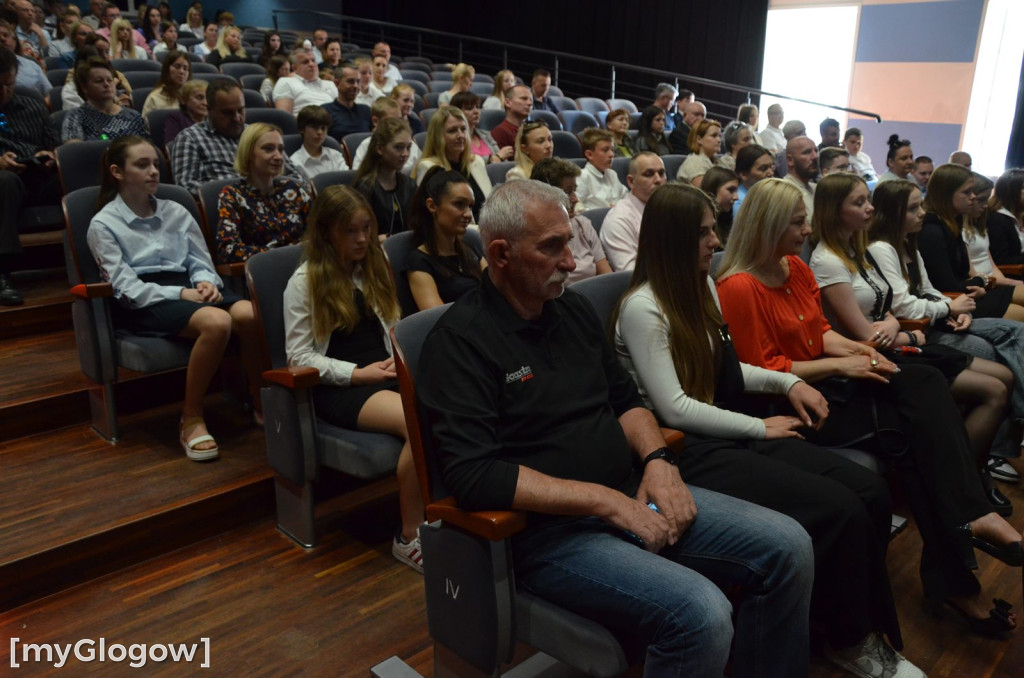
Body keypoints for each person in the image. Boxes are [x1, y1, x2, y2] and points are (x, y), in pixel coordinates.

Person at [417, 178, 815, 678]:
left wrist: (658, 460)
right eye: (553, 247)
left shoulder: (572, 310)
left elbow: (625, 401)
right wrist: (606, 502)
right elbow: (475, 476)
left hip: (630, 493)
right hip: (549, 536)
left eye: (570, 242)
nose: (570, 261)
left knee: (789, 546)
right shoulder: (460, 343)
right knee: (701, 613)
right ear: (500, 254)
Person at [614, 181, 921, 677]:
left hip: (728, 429)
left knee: (868, 490)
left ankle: (836, 622)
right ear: (671, 239)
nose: (716, 242)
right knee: (837, 509)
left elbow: (730, 369)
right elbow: (674, 408)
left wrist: (785, 383)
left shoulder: (702, 283)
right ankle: (849, 638)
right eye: (703, 233)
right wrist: (759, 427)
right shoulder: (643, 307)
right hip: (685, 449)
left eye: (714, 230)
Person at [716, 177, 1024, 637]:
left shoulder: (793, 269)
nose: (805, 230)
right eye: (797, 223)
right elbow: (764, 369)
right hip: (794, 404)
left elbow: (820, 331)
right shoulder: (738, 286)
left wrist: (860, 352)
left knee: (919, 386)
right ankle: (962, 547)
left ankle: (963, 544)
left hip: (832, 381)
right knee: (917, 426)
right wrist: (845, 362)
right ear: (768, 225)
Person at [809, 173, 1013, 511]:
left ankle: (966, 477)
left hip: (897, 340)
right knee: (994, 391)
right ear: (833, 211)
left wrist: (900, 322)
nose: (869, 208)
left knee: (1001, 377)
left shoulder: (856, 250)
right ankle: (962, 489)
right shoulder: (827, 260)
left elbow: (889, 308)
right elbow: (865, 335)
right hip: (870, 357)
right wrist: (911, 331)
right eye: (859, 203)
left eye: (868, 200)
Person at [88, 136, 261, 461]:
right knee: (217, 321)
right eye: (142, 165)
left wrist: (207, 283)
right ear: (117, 171)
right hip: (145, 300)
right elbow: (127, 288)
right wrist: (182, 293)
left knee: (250, 314)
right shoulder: (104, 224)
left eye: (155, 163)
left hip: (190, 286)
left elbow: (199, 260)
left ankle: (259, 400)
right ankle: (191, 418)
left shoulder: (176, 210)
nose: (154, 171)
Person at [282, 184, 424, 570]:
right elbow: (299, 357)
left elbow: (392, 329)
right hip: (341, 387)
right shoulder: (304, 281)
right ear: (327, 232)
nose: (362, 239)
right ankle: (410, 535)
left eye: (366, 228)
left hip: (383, 373)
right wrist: (357, 375)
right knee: (421, 420)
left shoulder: (373, 267)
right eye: (350, 231)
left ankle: (448, 512)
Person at [870, 178, 1024, 489]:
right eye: (914, 208)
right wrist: (949, 308)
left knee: (1015, 331)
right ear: (894, 213)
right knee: (997, 357)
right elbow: (904, 306)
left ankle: (979, 461)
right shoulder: (882, 247)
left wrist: (957, 310)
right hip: (919, 333)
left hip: (938, 322)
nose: (922, 212)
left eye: (921, 205)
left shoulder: (907, 242)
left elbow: (929, 290)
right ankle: (970, 469)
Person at [918, 163, 1024, 322]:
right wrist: (983, 281)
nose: (973, 197)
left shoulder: (954, 222)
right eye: (967, 192)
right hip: (953, 302)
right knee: (1020, 314)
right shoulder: (931, 231)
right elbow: (947, 286)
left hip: (971, 293)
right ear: (947, 195)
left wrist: (983, 283)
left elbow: (967, 271)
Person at [172, 79, 305, 199]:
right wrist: (242, 194)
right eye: (227, 113)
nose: (237, 118)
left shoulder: (257, 134)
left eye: (240, 110)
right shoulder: (190, 138)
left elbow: (296, 178)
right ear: (209, 109)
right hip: (225, 210)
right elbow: (187, 187)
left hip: (274, 203)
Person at [0, 47, 60, 306]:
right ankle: (2, 273)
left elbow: (56, 144)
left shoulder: (33, 106)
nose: (4, 92)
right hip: (5, 183)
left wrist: (52, 156)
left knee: (79, 175)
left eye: (9, 84)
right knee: (4, 180)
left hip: (37, 177)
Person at [216, 122, 312, 264]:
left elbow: (321, 232)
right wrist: (283, 253)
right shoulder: (232, 195)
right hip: (265, 274)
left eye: (280, 149)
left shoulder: (293, 189)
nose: (279, 156)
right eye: (268, 149)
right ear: (248, 153)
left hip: (307, 268)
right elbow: (227, 250)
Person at [405, 166, 484, 310]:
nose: (468, 214)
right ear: (432, 206)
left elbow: (499, 290)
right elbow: (437, 321)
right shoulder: (419, 262)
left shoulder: (470, 247)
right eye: (459, 204)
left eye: (470, 206)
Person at [530, 157, 610, 284]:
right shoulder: (534, 235)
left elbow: (607, 277)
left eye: (574, 190)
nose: (575, 199)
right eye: (567, 192)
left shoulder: (583, 225)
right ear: (544, 195)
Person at [414, 106, 491, 221]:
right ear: (438, 136)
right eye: (452, 130)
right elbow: (434, 218)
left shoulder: (476, 162)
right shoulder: (430, 167)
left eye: (463, 129)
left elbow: (491, 205)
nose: (460, 135)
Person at [600, 152, 666, 271]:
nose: (658, 180)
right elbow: (630, 274)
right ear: (631, 181)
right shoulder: (618, 220)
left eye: (661, 173)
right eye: (649, 174)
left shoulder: (672, 208)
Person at [353, 117, 415, 239]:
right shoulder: (365, 188)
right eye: (398, 147)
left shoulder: (409, 184)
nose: (405, 154)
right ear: (380, 149)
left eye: (408, 147)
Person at [62, 56, 148, 143]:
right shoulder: (76, 116)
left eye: (110, 80)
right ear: (84, 87)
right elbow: (74, 152)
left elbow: (149, 149)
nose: (106, 84)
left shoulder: (134, 116)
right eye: (99, 81)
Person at [350, 97, 421, 174]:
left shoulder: (409, 144)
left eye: (400, 120)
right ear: (376, 121)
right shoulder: (365, 146)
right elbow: (359, 176)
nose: (398, 125)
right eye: (392, 121)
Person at [451, 91, 511, 164]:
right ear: (457, 112)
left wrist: (498, 158)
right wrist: (495, 158)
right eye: (469, 108)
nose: (476, 111)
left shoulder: (486, 134)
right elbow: (465, 162)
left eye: (478, 107)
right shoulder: (457, 138)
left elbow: (503, 160)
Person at [273, 47, 337, 116]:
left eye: (313, 60)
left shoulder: (330, 84)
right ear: (295, 68)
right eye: (305, 62)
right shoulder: (286, 82)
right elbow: (285, 118)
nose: (311, 64)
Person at [290, 105, 349, 178]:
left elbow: (347, 181)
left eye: (323, 128)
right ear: (302, 129)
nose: (320, 132)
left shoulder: (335, 156)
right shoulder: (295, 162)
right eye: (315, 127)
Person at [576, 127, 627, 211]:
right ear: (589, 154)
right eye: (605, 150)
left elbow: (626, 197)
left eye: (612, 149)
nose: (611, 154)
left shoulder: (612, 174)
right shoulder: (582, 177)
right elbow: (576, 208)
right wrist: (603, 211)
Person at [322, 64, 372, 141]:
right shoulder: (325, 111)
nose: (356, 86)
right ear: (337, 83)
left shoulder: (366, 110)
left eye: (358, 81)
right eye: (350, 81)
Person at [0, 20, 47, 99]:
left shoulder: (31, 65)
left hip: (31, 108)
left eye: (5, 35)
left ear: (15, 41)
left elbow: (48, 93)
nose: (2, 39)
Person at [987, 168, 1024, 267]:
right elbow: (1002, 259)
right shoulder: (997, 219)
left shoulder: (1020, 215)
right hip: (1012, 275)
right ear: (1012, 192)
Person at [141, 49, 189, 116]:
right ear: (167, 69)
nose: (182, 72)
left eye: (185, 68)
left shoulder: (192, 98)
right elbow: (146, 124)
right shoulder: (155, 98)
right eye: (177, 67)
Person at [733, 143, 774, 218]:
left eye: (771, 167)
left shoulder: (767, 193)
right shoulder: (740, 203)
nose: (771, 173)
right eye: (763, 169)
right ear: (744, 174)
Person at [700, 165, 739, 245]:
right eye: (731, 190)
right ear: (712, 189)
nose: (736, 197)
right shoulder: (699, 219)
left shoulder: (726, 218)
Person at [677, 119, 722, 187]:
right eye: (714, 136)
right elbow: (706, 194)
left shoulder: (716, 160)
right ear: (699, 139)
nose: (719, 140)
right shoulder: (695, 164)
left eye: (720, 136)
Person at [782, 136, 818, 218]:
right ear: (790, 160)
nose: (815, 156)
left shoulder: (817, 188)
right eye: (807, 152)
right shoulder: (784, 192)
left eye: (816, 151)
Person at [163, 77, 206, 145]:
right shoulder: (176, 118)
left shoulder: (213, 119)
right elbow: (171, 146)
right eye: (199, 98)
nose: (205, 103)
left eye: (208, 98)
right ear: (183, 100)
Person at [490, 83, 531, 149]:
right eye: (524, 99)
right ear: (508, 103)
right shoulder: (500, 133)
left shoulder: (531, 130)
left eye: (530, 100)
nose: (529, 103)